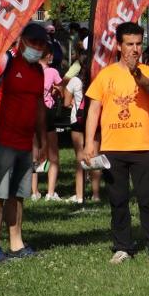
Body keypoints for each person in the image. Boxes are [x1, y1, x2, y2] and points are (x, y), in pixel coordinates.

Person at [83, 22, 149, 267]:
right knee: (118, 200)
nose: (135, 49)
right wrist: (90, 142)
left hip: (142, 147)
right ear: (119, 45)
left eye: (138, 44)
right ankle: (122, 247)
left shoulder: (148, 71)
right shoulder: (106, 74)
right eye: (129, 44)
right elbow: (93, 110)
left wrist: (135, 72)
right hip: (113, 147)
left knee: (146, 200)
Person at [0, 22, 50, 264]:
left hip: (24, 141)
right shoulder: (4, 62)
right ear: (21, 41)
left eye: (41, 45)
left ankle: (16, 243)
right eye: (34, 43)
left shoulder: (39, 72)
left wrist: (42, 139)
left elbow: (39, 106)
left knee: (18, 194)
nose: (37, 48)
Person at [63, 50, 100, 204]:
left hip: (77, 121)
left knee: (80, 158)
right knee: (95, 157)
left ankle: (79, 196)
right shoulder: (97, 81)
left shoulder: (74, 82)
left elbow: (65, 103)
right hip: (95, 121)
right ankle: (96, 194)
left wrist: (74, 104)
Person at [30, 60, 64, 200]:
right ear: (49, 55)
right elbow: (62, 91)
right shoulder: (52, 71)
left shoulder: (29, 70)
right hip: (47, 113)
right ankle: (50, 193)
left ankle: (34, 192)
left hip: (31, 114)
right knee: (53, 156)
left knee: (34, 155)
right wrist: (56, 91)